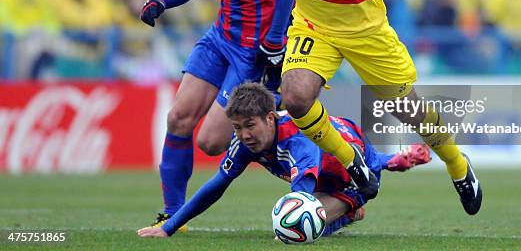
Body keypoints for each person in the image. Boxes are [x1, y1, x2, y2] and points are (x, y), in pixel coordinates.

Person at [227, 0, 482, 214]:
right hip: (313, 25)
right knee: (295, 97)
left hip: (363, 27)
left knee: (410, 111)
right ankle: (353, 160)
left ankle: (457, 164)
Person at [139, 0, 293, 229]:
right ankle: (174, 214)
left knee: (210, 142)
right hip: (220, 36)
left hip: (251, 48)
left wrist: (274, 41)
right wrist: (162, 0)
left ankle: (309, 166)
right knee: (177, 118)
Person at [137, 83, 431, 238]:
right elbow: (216, 186)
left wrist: (289, 231)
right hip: (339, 150)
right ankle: (395, 161)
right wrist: (168, 227)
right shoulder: (245, 142)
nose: (244, 135)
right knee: (299, 222)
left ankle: (351, 209)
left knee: (298, 229)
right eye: (237, 128)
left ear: (269, 117)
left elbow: (301, 196)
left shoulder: (299, 142)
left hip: (356, 181)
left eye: (249, 125)